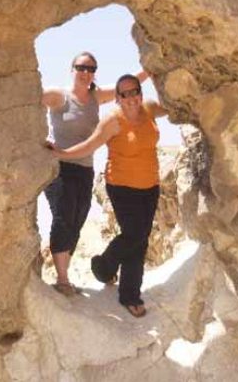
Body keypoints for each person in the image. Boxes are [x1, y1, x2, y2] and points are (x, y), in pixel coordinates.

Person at [50, 73, 167, 317]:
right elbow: (89, 146)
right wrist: (60, 153)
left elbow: (174, 108)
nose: (131, 97)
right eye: (124, 94)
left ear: (140, 92)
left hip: (150, 185)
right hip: (122, 186)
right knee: (136, 235)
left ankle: (110, 273)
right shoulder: (112, 121)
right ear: (117, 98)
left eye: (134, 91)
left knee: (139, 238)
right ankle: (120, 284)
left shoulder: (150, 109)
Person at [41, 52, 147, 296]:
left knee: (78, 219)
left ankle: (64, 276)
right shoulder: (59, 96)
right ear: (72, 69)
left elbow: (128, 84)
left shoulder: (95, 97)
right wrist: (40, 139)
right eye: (81, 67)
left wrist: (151, 70)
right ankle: (63, 279)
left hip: (85, 168)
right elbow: (27, 97)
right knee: (63, 216)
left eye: (90, 68)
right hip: (59, 167)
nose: (85, 72)